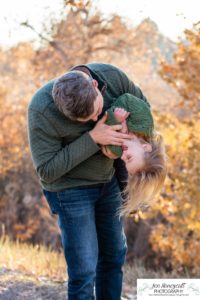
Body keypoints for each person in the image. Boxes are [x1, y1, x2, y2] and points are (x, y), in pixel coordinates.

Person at [27, 63, 151, 300]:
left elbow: (144, 109)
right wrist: (94, 138)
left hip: (108, 180)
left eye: (96, 111)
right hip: (69, 190)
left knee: (114, 255)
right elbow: (46, 171)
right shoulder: (41, 109)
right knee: (84, 270)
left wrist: (126, 137)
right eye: (88, 119)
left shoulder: (112, 78)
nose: (96, 118)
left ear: (95, 85)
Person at [103, 93, 167, 216]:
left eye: (125, 160)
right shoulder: (144, 121)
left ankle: (130, 199)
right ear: (146, 147)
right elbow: (126, 99)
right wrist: (117, 120)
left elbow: (106, 144)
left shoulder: (120, 149)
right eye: (129, 158)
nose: (123, 156)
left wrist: (117, 127)